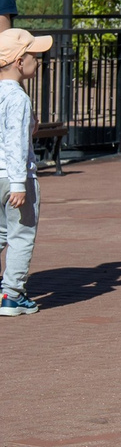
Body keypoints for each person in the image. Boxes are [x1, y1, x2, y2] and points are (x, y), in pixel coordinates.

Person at [0, 26, 48, 315]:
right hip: (14, 177)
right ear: (19, 62)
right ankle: (12, 294)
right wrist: (19, 182)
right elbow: (15, 142)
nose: (38, 61)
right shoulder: (18, 98)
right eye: (34, 55)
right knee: (21, 233)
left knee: (0, 232)